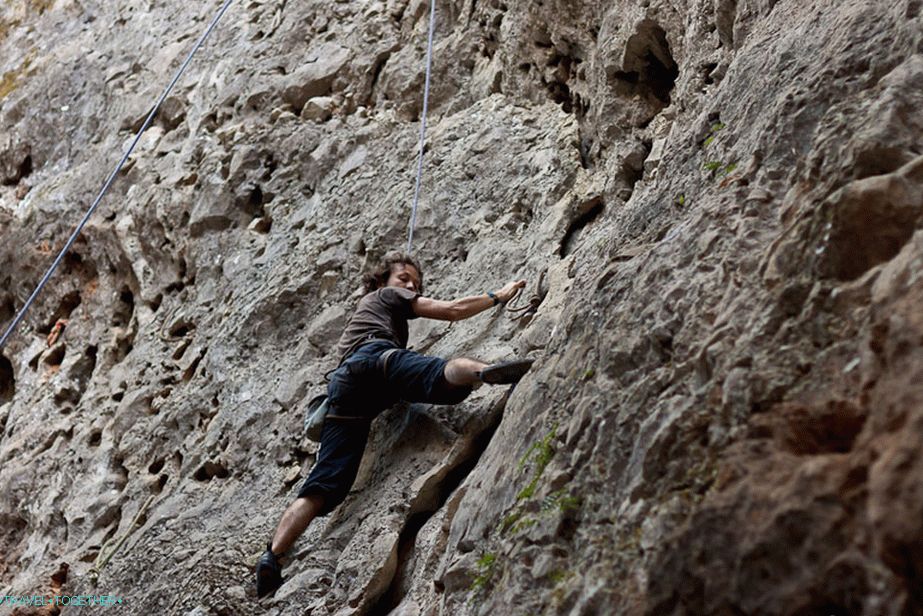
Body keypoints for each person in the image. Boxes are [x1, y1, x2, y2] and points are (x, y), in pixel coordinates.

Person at [255, 251, 533, 598]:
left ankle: (272, 557)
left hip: (346, 388)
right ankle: (482, 372)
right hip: (379, 360)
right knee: (439, 375)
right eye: (404, 278)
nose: (411, 285)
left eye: (415, 282)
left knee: (323, 485)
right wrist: (498, 295)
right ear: (382, 280)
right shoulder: (386, 295)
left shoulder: (365, 314)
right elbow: (451, 311)